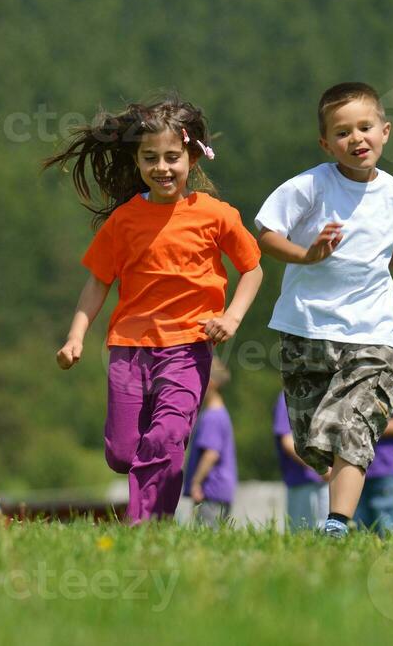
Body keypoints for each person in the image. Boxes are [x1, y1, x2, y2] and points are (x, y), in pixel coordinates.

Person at [47, 94, 263, 523]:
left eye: (172, 157)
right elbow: (98, 282)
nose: (162, 167)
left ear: (192, 158)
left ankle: (146, 527)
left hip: (189, 345)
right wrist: (76, 336)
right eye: (151, 158)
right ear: (138, 162)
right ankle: (150, 500)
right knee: (125, 452)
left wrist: (231, 317)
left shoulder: (215, 215)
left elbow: (252, 269)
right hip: (129, 347)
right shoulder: (124, 220)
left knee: (166, 436)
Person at [255, 82, 393, 539]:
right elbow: (265, 232)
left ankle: (336, 525)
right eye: (342, 133)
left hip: (374, 332)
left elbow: (388, 241)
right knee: (312, 441)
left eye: (365, 128)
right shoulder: (309, 187)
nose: (356, 139)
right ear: (325, 143)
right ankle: (338, 508)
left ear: (385, 131)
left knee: (351, 428)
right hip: (306, 328)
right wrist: (306, 256)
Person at [354, 384, 393, 534]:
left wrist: (362, 428)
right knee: (359, 525)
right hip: (356, 467)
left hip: (386, 468)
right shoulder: (350, 383)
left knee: (389, 523)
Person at [184, 359, 236, 527]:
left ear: (211, 384)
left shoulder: (211, 417)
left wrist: (196, 482)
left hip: (210, 490)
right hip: (220, 491)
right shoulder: (221, 413)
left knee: (206, 534)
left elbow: (211, 454)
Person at [272, 391, 329, 532]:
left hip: (326, 481)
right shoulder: (289, 396)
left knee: (326, 535)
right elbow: (287, 440)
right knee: (302, 533)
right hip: (304, 481)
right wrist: (320, 466)